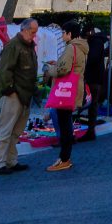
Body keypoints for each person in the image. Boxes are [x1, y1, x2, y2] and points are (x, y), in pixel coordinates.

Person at [42, 21, 89, 172]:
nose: (62, 35)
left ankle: (64, 158)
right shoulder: (81, 47)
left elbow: (63, 69)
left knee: (64, 125)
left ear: (69, 34)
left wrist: (50, 68)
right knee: (66, 123)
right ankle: (65, 157)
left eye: (63, 32)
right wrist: (58, 63)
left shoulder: (71, 47)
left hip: (66, 91)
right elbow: (72, 65)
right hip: (75, 89)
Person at [0, 18, 38, 175]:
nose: (35, 35)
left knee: (16, 131)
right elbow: (4, 70)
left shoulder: (29, 46)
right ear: (24, 30)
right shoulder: (13, 45)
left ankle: (11, 161)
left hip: (25, 94)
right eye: (33, 32)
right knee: (5, 130)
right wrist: (9, 90)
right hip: (14, 94)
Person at [80, 22, 108, 142]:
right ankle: (90, 130)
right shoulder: (98, 41)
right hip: (96, 77)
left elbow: (92, 59)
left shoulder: (95, 42)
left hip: (93, 78)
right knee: (92, 104)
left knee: (91, 104)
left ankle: (90, 131)